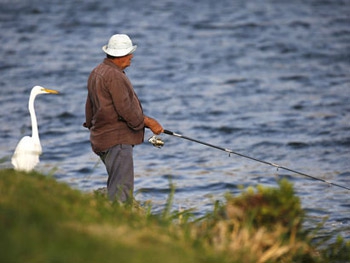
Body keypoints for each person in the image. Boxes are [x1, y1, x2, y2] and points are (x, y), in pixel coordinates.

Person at [84, 34, 163, 202]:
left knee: (116, 185)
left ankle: (115, 220)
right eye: (129, 53)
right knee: (122, 190)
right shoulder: (114, 76)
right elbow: (125, 109)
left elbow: (89, 108)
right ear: (120, 56)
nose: (132, 56)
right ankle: (120, 222)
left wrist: (92, 127)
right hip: (117, 141)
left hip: (102, 140)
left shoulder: (96, 72)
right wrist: (148, 123)